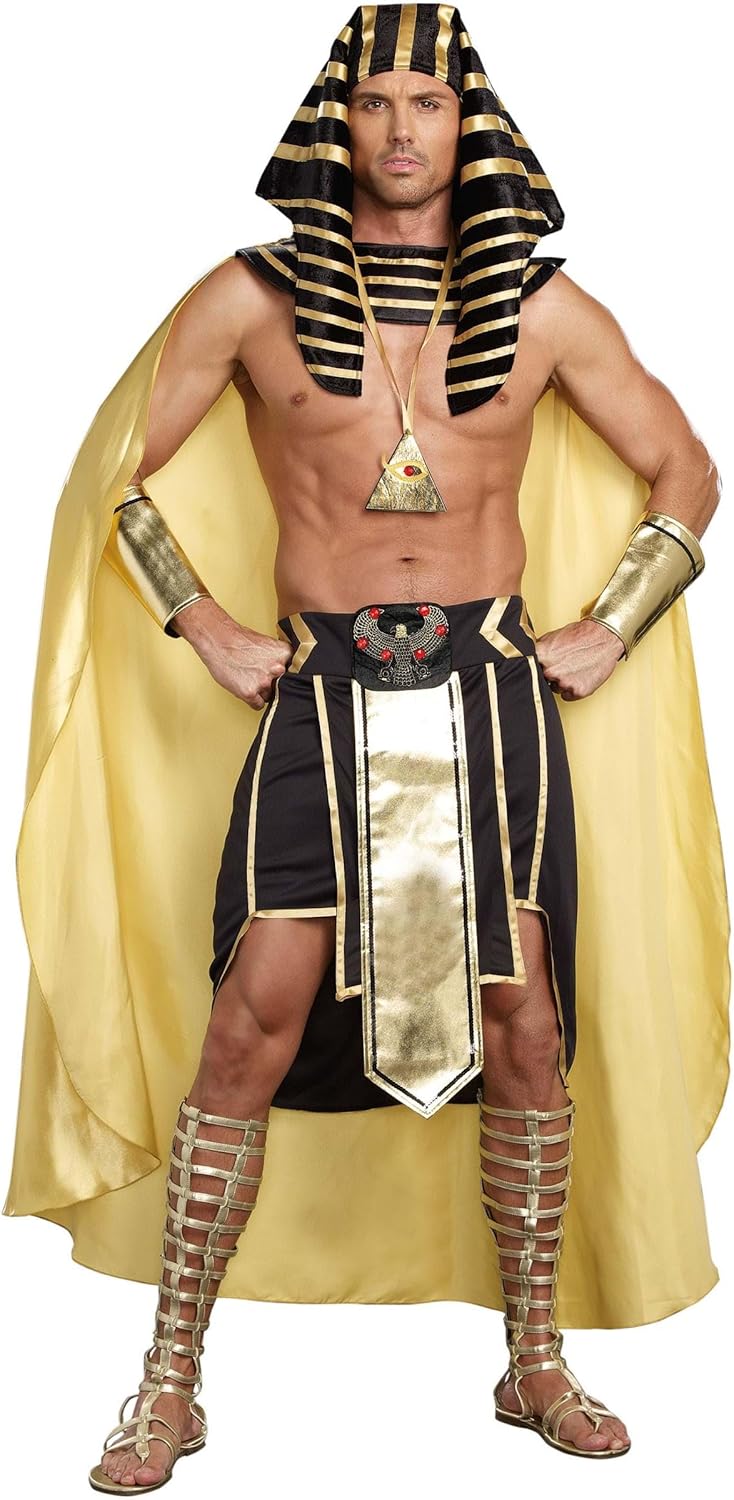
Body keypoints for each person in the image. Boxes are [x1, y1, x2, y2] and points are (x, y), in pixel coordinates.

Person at [3, 3, 729, 1490]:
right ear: (337, 125)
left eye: (429, 104)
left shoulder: (542, 308)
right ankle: (169, 1380)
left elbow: (683, 468)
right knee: (247, 1021)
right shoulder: (247, 298)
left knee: (525, 1023)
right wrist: (203, 622)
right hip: (320, 695)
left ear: (472, 128)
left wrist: (611, 623)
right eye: (378, 103)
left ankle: (533, 1360)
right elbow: (114, 475)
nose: (403, 130)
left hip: (489, 693)